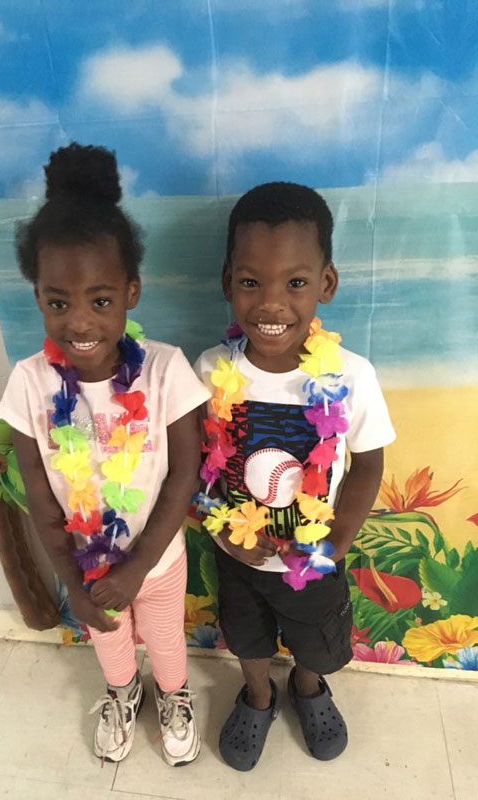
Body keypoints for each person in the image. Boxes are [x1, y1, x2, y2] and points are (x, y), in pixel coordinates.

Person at [0, 143, 210, 766]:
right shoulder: (29, 383)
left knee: (166, 640)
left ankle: (173, 695)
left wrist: (138, 566)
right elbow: (39, 495)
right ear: (37, 295)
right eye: (58, 301)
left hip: (159, 558)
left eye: (100, 298)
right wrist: (74, 580)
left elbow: (182, 478)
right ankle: (122, 693)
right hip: (84, 562)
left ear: (131, 292)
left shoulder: (166, 371)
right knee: (109, 641)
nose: (79, 321)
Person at [194, 182, 395, 769]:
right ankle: (257, 693)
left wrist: (335, 541)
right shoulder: (211, 369)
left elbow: (370, 463)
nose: (271, 304)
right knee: (246, 634)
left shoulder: (353, 376)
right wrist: (222, 528)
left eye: (296, 283)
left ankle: (309, 688)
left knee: (317, 641)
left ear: (326, 284)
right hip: (240, 555)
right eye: (252, 282)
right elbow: (196, 464)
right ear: (229, 280)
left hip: (315, 557)